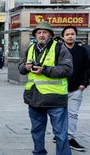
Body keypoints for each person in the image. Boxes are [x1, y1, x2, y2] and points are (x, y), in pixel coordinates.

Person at [18, 21, 73, 155]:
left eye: (45, 32)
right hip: (34, 98)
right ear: (35, 35)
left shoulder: (60, 48)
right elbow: (21, 67)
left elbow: (67, 69)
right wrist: (26, 67)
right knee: (36, 131)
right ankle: (39, 153)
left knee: (60, 134)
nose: (41, 35)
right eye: (39, 32)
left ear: (50, 35)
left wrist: (45, 70)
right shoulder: (30, 48)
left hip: (55, 100)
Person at [60, 26, 89, 152]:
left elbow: (87, 68)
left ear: (76, 36)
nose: (70, 36)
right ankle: (60, 135)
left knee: (73, 114)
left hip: (76, 89)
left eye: (72, 34)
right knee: (59, 115)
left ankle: (70, 137)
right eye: (67, 34)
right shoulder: (58, 50)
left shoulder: (82, 51)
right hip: (59, 89)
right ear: (63, 37)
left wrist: (84, 84)